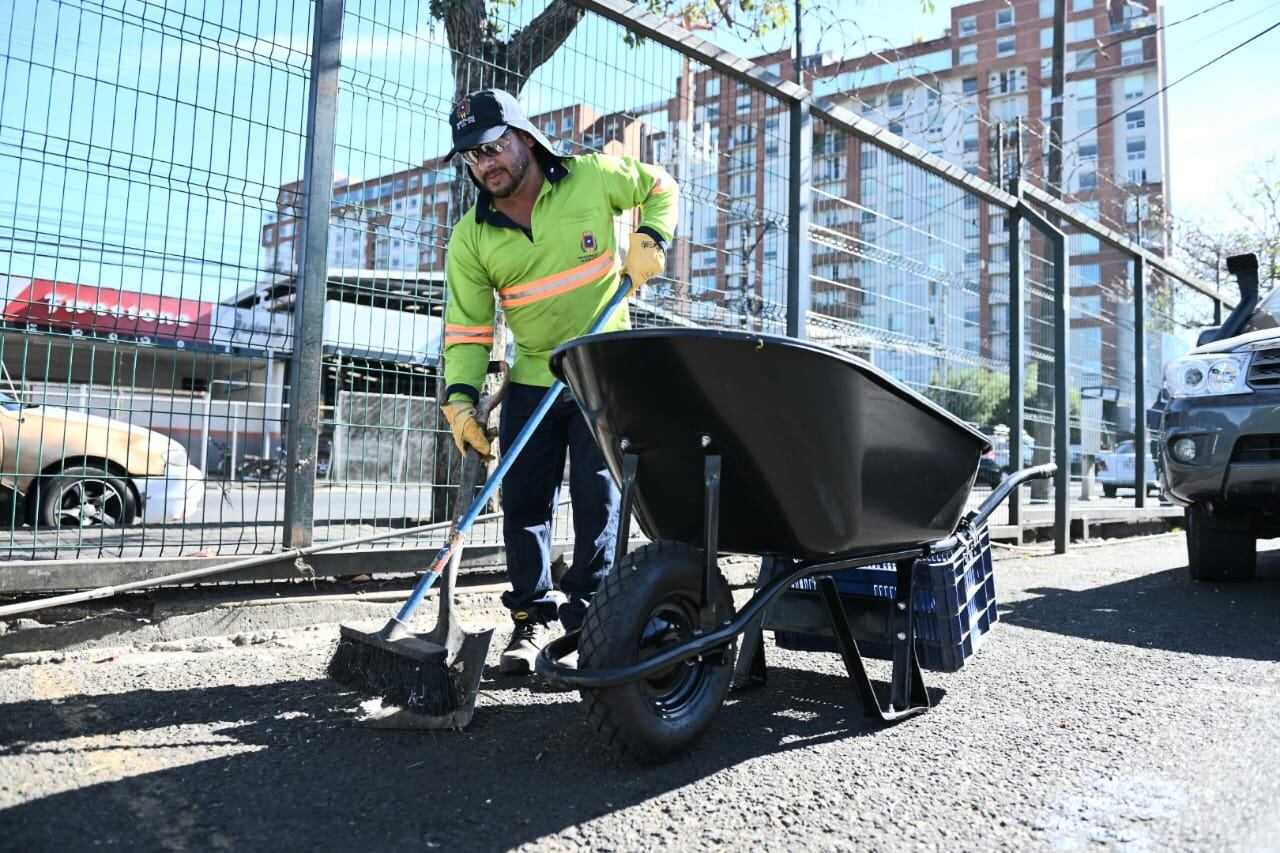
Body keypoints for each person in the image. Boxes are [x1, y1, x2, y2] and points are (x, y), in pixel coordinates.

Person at [439, 89, 678, 674]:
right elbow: (467, 331)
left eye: (494, 148)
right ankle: (531, 620)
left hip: (601, 370)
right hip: (532, 377)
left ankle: (589, 619)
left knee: (599, 495)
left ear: (524, 138)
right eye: (473, 157)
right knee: (523, 503)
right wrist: (461, 401)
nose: (486, 164)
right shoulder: (471, 238)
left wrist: (653, 238)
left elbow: (660, 187)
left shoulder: (592, 178)